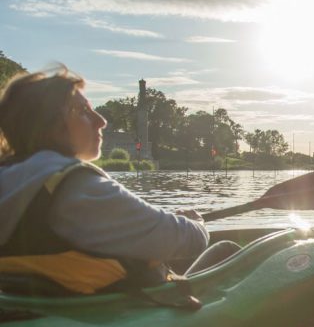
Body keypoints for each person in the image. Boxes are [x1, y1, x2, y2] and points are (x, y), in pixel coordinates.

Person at [0, 67, 237, 295]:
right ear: (48, 124)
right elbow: (189, 240)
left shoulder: (11, 178)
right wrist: (196, 223)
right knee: (228, 250)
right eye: (83, 111)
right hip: (118, 318)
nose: (101, 121)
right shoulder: (75, 186)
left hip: (42, 309)